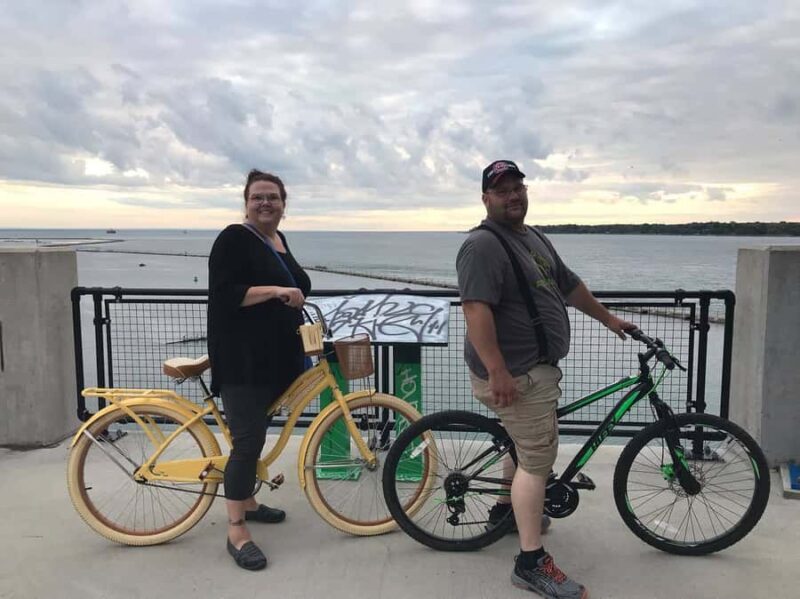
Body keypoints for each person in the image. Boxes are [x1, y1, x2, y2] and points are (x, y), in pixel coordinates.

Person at [456, 160, 635, 599]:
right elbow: (475, 310)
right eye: (502, 190)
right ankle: (530, 562)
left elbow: (569, 285)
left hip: (532, 370)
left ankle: (504, 511)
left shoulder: (531, 237)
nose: (513, 195)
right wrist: (498, 371)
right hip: (514, 374)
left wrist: (609, 319)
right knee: (537, 459)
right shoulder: (482, 246)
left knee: (525, 447)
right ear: (485, 199)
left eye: (519, 187)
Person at [207, 169, 311, 571]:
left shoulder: (279, 241)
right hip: (243, 359)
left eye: (273, 197)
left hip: (276, 357)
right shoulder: (233, 238)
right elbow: (224, 295)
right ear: (246, 202)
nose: (265, 203)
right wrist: (276, 291)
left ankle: (248, 501)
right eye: (258, 198)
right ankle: (236, 528)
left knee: (257, 433)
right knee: (247, 443)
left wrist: (291, 291)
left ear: (284, 205)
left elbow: (298, 284)